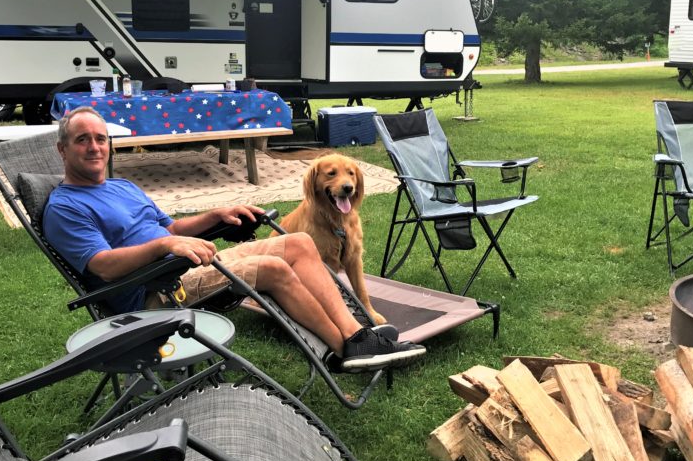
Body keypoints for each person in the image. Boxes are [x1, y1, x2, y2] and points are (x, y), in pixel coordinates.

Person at [43, 106, 425, 370]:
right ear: (62, 149)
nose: (94, 147)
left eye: (100, 138)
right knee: (271, 267)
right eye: (82, 140)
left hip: (185, 263)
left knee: (300, 243)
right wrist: (163, 246)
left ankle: (357, 336)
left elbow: (171, 227)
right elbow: (102, 267)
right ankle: (346, 351)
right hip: (157, 290)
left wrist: (214, 215)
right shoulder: (64, 207)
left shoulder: (122, 186)